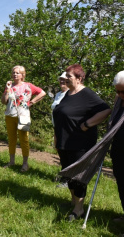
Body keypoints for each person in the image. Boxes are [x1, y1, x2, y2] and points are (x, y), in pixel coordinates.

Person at [53, 64, 111, 221]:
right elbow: (61, 116)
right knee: (68, 172)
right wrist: (56, 136)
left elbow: (105, 110)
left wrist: (88, 124)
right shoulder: (69, 93)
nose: (65, 79)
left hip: (80, 143)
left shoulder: (87, 94)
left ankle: (78, 209)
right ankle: (74, 201)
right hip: (64, 141)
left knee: (78, 176)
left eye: (69, 76)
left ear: (79, 78)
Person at [1, 65, 46, 172]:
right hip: (10, 115)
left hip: (23, 116)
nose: (15, 74)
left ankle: (25, 164)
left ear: (22, 75)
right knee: (12, 139)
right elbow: (3, 101)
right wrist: (7, 89)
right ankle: (12, 161)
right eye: (13, 72)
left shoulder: (28, 86)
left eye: (17, 73)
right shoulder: (10, 86)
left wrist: (31, 102)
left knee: (24, 140)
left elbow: (42, 92)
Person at [109, 71, 124, 223]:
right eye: (117, 91)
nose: (120, 94)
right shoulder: (118, 100)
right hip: (118, 150)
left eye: (123, 91)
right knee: (121, 183)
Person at [51, 72, 69, 188]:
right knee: (60, 151)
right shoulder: (58, 94)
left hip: (66, 128)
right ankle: (64, 174)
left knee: (67, 152)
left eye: (65, 80)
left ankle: (68, 180)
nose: (62, 82)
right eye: (61, 80)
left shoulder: (70, 94)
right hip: (57, 127)